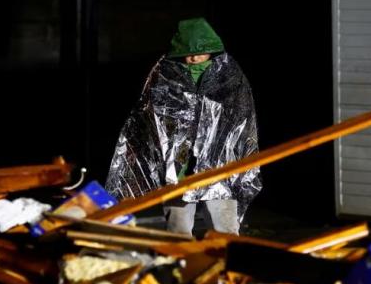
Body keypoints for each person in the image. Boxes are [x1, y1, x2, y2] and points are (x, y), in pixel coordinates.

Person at [105, 17, 261, 235]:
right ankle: (183, 266)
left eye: (200, 50)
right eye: (188, 52)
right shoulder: (165, 73)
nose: (194, 57)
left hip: (219, 166)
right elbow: (149, 113)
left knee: (224, 229)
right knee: (178, 229)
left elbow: (242, 116)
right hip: (179, 168)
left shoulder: (229, 75)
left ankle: (224, 265)